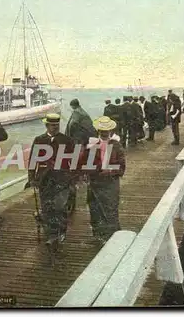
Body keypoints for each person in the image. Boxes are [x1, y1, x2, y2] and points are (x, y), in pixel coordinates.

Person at [28, 113, 76, 253]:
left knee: (60, 207)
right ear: (46, 125)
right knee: (47, 208)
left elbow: (74, 160)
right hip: (44, 180)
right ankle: (51, 233)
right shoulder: (39, 140)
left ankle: (61, 231)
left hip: (62, 179)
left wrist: (72, 176)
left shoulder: (67, 140)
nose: (54, 128)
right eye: (52, 125)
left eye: (56, 125)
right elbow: (33, 160)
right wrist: (31, 178)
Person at [81, 116, 126, 245]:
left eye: (107, 131)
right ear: (98, 131)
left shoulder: (117, 146)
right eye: (102, 131)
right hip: (95, 183)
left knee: (111, 208)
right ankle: (99, 235)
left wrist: (110, 171)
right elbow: (86, 164)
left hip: (111, 183)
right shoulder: (92, 146)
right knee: (95, 208)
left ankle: (113, 236)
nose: (104, 133)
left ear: (111, 131)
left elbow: (122, 166)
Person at [64, 99, 96, 213]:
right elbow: (90, 129)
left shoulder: (78, 114)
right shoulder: (82, 113)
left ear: (72, 105)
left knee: (75, 164)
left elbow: (73, 126)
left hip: (78, 142)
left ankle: (77, 178)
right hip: (80, 142)